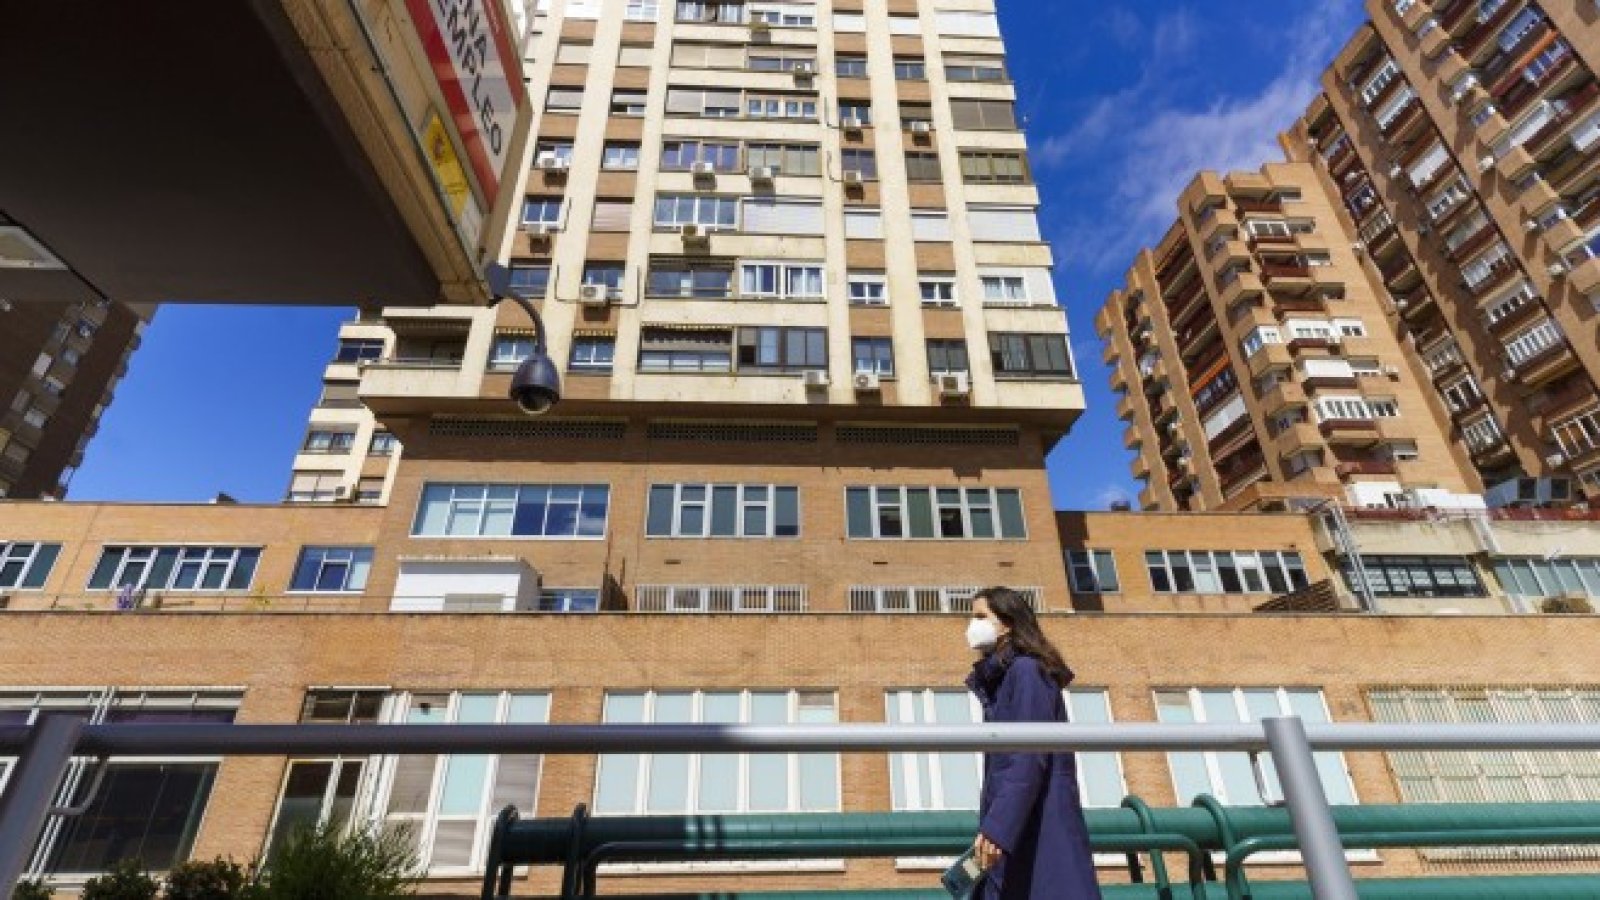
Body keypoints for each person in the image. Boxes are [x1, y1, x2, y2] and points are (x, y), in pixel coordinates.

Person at [965, 586, 1101, 899]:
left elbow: (1027, 757)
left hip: (1035, 828)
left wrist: (997, 828)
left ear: (1006, 623)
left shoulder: (1026, 672)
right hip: (1019, 826)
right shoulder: (1003, 678)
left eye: (980, 616)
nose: (972, 626)